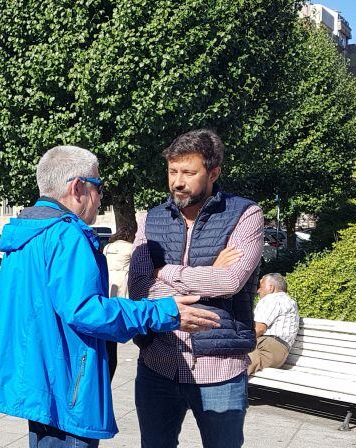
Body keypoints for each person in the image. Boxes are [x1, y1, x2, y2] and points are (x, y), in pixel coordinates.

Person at [0, 145, 220, 448]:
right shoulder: (67, 235)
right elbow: (86, 312)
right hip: (67, 387)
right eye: (98, 187)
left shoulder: (26, 232)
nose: (100, 198)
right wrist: (165, 312)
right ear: (78, 187)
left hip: (40, 381)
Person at [129, 129, 263, 448]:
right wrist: (208, 273)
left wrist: (165, 272)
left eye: (189, 172)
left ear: (213, 173)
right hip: (157, 365)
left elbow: (231, 281)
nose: (177, 181)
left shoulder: (246, 214)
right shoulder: (151, 219)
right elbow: (137, 289)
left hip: (219, 371)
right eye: (173, 171)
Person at [102, 224, 137, 379]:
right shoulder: (131, 247)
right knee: (123, 303)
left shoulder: (108, 246)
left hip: (109, 279)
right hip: (123, 278)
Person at [248, 273, 299, 375]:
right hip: (278, 353)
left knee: (236, 362)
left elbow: (259, 329)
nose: (258, 291)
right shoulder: (289, 301)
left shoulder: (272, 299)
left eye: (261, 286)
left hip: (266, 346)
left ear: (271, 288)